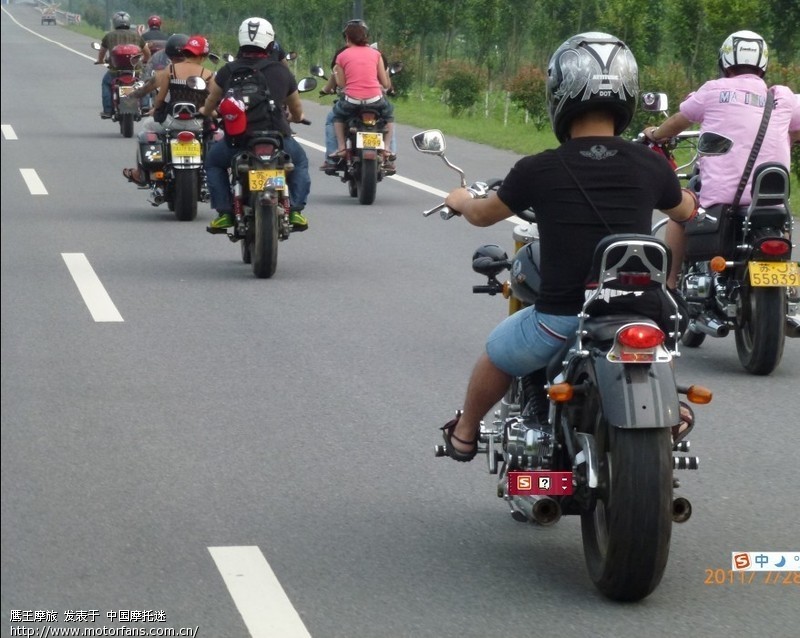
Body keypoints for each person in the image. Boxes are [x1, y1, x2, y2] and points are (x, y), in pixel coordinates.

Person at [438, 32, 700, 462]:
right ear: (627, 93)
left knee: (497, 353)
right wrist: (689, 201)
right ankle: (670, 407)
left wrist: (460, 199)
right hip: (640, 315)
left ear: (559, 92)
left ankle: (465, 434)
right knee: (656, 343)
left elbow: (483, 214)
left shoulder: (538, 169)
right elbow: (686, 210)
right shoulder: (652, 166)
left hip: (561, 320)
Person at [643, 30, 800, 288]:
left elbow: (677, 122)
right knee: (782, 223)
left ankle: (668, 287)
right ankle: (786, 292)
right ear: (763, 63)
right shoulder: (782, 97)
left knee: (679, 215)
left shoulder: (712, 91)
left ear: (725, 61)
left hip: (721, 201)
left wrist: (655, 135)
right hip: (771, 202)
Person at [200, 17, 310, 232]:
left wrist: (206, 112)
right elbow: (296, 108)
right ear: (270, 42)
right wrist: (296, 118)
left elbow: (212, 102)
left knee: (213, 163)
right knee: (300, 162)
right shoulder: (281, 71)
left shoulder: (227, 71)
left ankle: (225, 213)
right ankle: (295, 210)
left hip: (238, 140)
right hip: (277, 137)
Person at [122, 34, 214, 187]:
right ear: (203, 56)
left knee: (147, 127)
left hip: (172, 121)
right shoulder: (207, 73)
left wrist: (151, 108)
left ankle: (143, 172)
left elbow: (153, 94)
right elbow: (215, 99)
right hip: (198, 123)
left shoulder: (169, 71)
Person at [319, 27, 397, 173]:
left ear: (347, 38)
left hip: (351, 101)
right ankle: (386, 148)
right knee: (389, 116)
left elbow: (342, 85)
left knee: (337, 116)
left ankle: (341, 148)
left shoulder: (341, 56)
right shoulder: (376, 54)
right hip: (376, 100)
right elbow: (386, 84)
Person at [94, 11, 151, 119]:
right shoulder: (136, 36)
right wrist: (145, 60)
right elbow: (147, 52)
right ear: (129, 22)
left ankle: (107, 110)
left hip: (115, 71)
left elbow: (102, 52)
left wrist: (100, 60)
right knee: (144, 82)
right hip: (135, 70)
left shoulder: (109, 36)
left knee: (106, 83)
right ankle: (145, 106)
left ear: (115, 23)